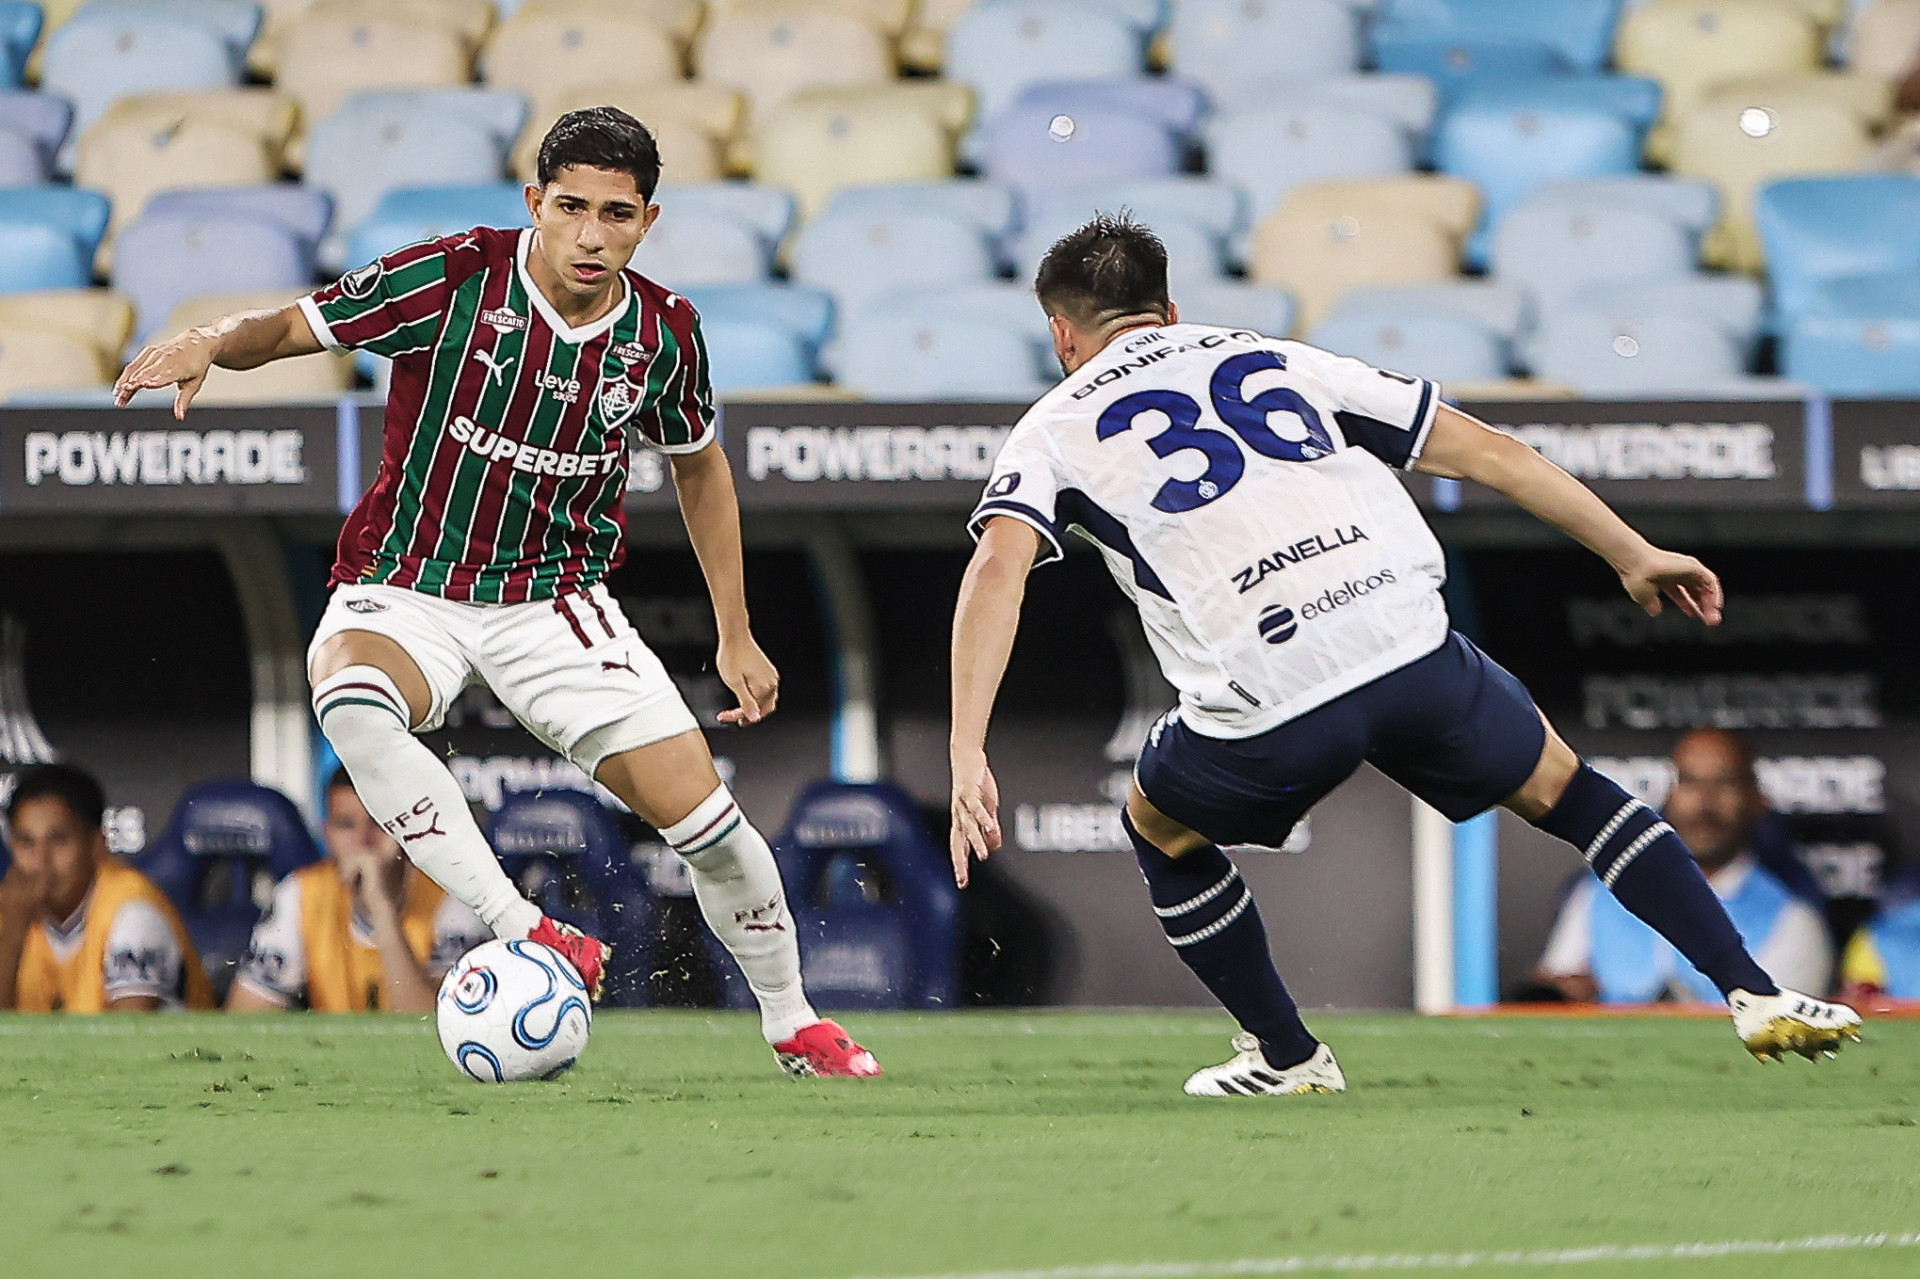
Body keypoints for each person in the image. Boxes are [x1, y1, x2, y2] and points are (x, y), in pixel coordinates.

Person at [947, 215, 1859, 1097]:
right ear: (1171, 310)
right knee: (1572, 791)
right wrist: (1633, 552)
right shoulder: (1282, 357)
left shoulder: (1053, 426)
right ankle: (1755, 991)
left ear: (1062, 333)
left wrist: (966, 749)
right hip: (1406, 643)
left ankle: (1289, 1056)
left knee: (1159, 825)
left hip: (1271, 693)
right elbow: (1489, 451)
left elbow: (997, 569)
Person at [113, 107, 878, 1077]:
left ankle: (793, 1020)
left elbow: (700, 466)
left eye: (617, 214)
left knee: (711, 828)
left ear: (648, 221)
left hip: (554, 603)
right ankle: (525, 925)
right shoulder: (454, 275)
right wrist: (211, 341)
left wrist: (736, 629)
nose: (591, 234)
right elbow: (299, 324)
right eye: (571, 208)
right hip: (407, 582)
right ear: (535, 203)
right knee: (347, 693)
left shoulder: (664, 333)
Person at [1532, 729, 1832, 1004]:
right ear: (1670, 795)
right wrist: (1566, 993)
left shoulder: (1792, 921)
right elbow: (1552, 994)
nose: (1704, 803)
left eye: (1724, 782)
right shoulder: (1597, 895)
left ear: (1756, 799)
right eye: (1689, 781)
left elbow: (1780, 1032)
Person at [228, 768, 491, 1012]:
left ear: (406, 829)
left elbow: (433, 1024)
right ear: (327, 834)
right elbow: (245, 1018)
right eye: (346, 825)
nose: (363, 841)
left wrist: (381, 908)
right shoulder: (300, 893)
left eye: (378, 823)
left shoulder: (452, 894)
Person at [0, 764, 213, 1012]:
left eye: (58, 840)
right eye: (26, 842)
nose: (41, 862)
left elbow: (129, 1030)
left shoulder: (133, 910)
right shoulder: (13, 914)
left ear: (96, 845)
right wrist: (13, 934)